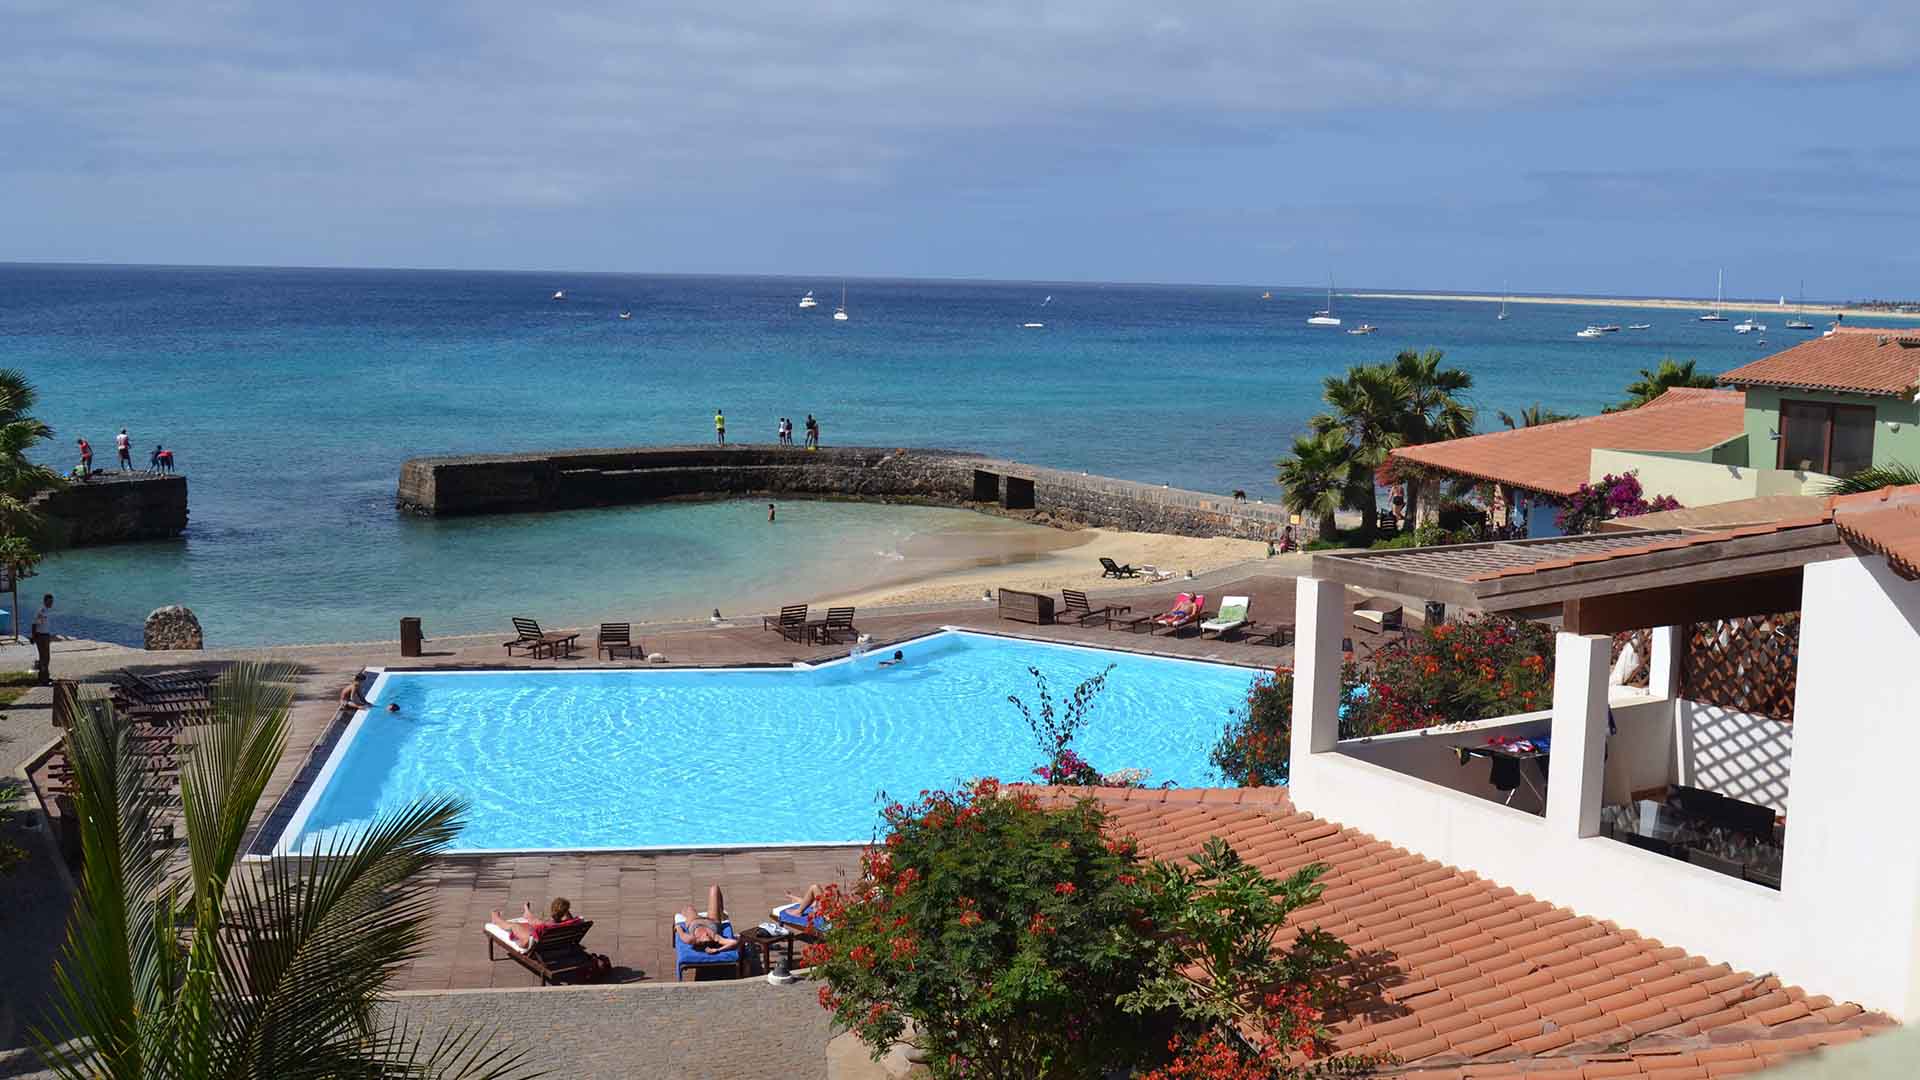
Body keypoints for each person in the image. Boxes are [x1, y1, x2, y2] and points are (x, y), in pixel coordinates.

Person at [489, 897, 577, 950]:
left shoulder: (546, 927)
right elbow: (568, 918)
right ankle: (527, 913)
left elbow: (534, 922)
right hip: (558, 944)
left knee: (514, 925)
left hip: (534, 945)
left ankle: (496, 919)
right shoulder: (574, 923)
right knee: (533, 922)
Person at [677, 885, 738, 951]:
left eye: (705, 938)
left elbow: (679, 929)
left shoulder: (691, 939)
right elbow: (734, 942)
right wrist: (718, 949)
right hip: (712, 921)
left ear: (698, 942)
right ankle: (721, 913)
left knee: (687, 908)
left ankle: (688, 911)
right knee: (714, 888)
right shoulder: (715, 937)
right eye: (708, 937)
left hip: (694, 921)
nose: (707, 934)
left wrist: (678, 927)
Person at [30, 594, 53, 685]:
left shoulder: (47, 611)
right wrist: (33, 636)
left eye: (52, 601)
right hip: (41, 636)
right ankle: (43, 679)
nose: (51, 603)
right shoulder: (42, 611)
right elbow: (34, 624)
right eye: (50, 601)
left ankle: (45, 677)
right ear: (45, 601)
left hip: (46, 636)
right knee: (44, 658)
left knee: (46, 658)